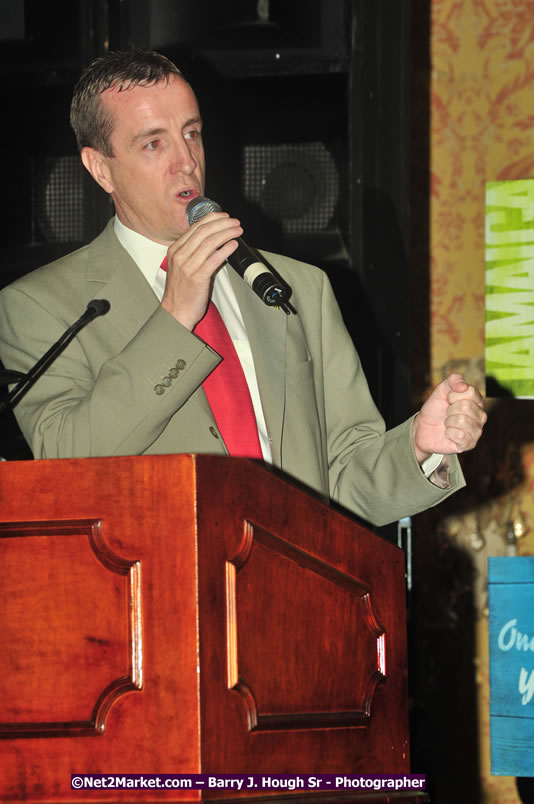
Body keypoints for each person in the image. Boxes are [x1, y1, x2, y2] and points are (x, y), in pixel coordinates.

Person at [0, 49, 486, 527]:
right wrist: (174, 317)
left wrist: (417, 448)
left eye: (192, 133)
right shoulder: (39, 306)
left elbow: (339, 479)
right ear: (100, 168)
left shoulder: (299, 288)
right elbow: (65, 462)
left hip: (293, 574)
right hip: (158, 577)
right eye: (153, 144)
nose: (185, 161)